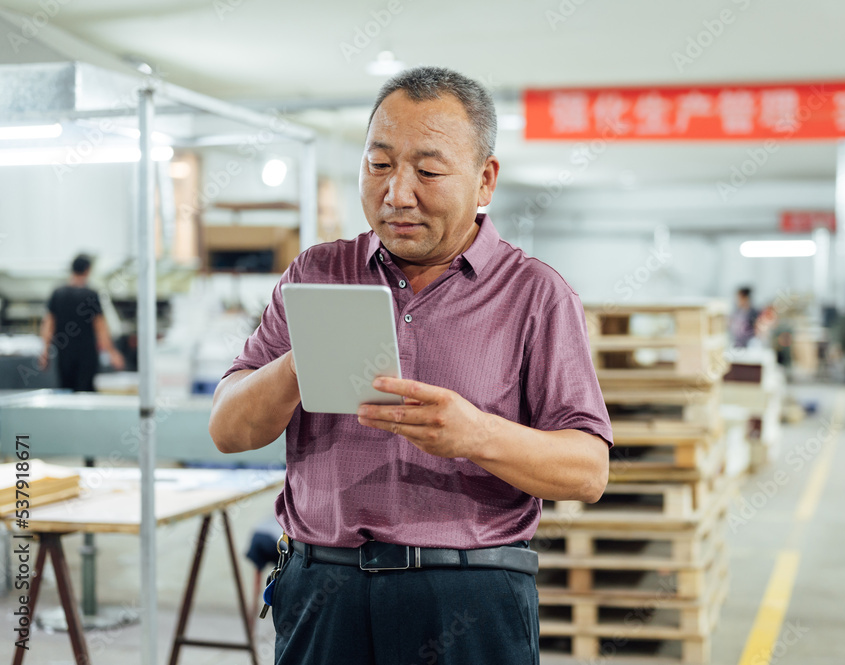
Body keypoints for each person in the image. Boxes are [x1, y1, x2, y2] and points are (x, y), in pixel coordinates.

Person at [209, 66, 612, 665]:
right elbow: (228, 430)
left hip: (469, 600)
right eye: (379, 165)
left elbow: (587, 471)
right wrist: (303, 362)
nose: (398, 193)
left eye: (427, 171)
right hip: (323, 593)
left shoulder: (535, 295)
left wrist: (477, 434)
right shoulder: (315, 275)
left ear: (484, 180)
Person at [39, 254, 125, 391]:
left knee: (66, 390)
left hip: (64, 353)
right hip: (87, 355)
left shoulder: (58, 293)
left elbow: (48, 324)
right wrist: (112, 352)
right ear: (87, 270)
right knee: (85, 393)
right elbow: (100, 328)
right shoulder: (91, 295)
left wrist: (45, 351)